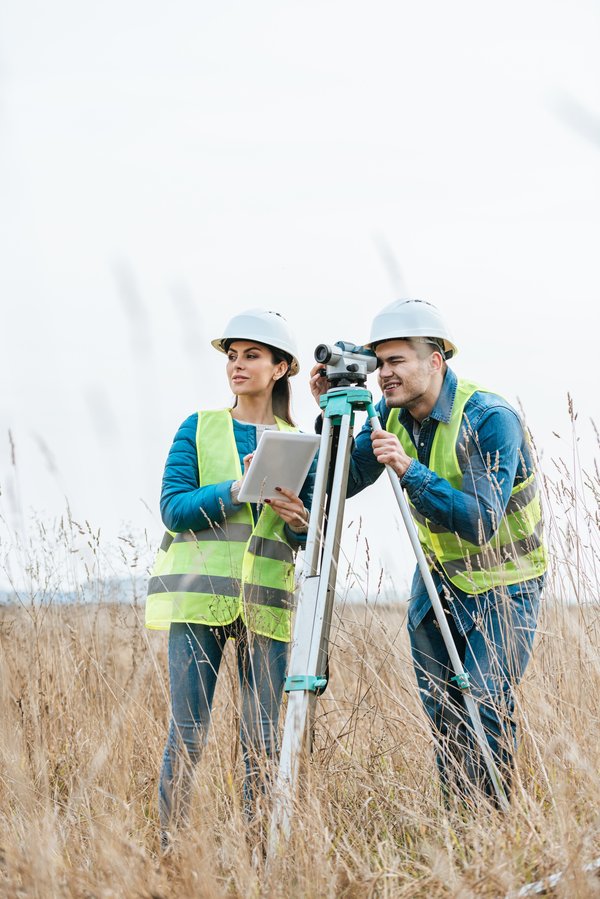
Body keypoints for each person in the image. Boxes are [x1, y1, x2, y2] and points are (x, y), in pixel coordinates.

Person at [310, 299, 547, 804]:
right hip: (439, 580)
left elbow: (481, 522)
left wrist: (409, 471)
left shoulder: (489, 417)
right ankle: (461, 825)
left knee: (483, 702)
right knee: (443, 713)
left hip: (508, 584)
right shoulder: (386, 416)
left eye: (397, 362)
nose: (385, 375)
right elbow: (342, 481)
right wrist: (328, 421)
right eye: (380, 363)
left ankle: (496, 825)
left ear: (435, 360)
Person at [147, 308, 314, 844]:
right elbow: (173, 508)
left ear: (281, 368)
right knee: (189, 735)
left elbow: (305, 535)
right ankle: (169, 852)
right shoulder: (198, 427)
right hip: (197, 602)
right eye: (233, 356)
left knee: (262, 741)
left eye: (252, 356)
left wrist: (297, 523)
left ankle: (257, 850)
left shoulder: (299, 440)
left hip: (266, 607)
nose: (237, 366)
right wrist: (233, 490)